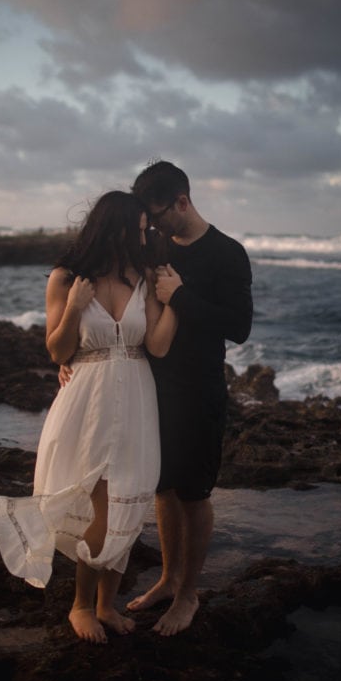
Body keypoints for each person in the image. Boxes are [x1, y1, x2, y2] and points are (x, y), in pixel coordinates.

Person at [0, 191, 177, 644]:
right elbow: (57, 350)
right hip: (86, 402)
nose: (144, 235)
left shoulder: (142, 278)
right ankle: (80, 606)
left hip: (135, 399)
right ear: (116, 226)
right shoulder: (65, 277)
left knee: (129, 496)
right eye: (139, 227)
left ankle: (107, 605)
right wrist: (74, 306)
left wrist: (175, 302)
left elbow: (158, 346)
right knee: (98, 505)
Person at [126, 160, 253, 635]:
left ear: (183, 200)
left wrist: (180, 296)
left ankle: (187, 595)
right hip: (152, 382)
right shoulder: (157, 246)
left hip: (200, 387)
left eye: (159, 214)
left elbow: (238, 328)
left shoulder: (227, 253)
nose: (155, 225)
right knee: (162, 487)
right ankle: (166, 578)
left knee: (194, 493)